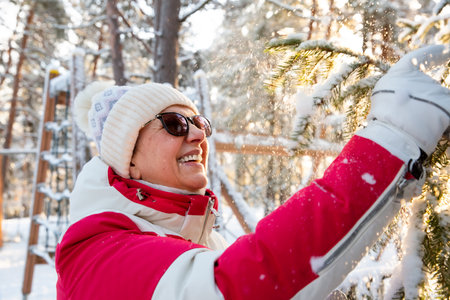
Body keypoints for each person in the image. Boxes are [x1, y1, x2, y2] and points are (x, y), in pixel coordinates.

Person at [55, 45, 450, 300]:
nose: (196, 135)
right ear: (130, 161)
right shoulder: (98, 253)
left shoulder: (184, 238)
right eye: (174, 124)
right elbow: (241, 284)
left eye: (200, 123)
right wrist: (391, 141)